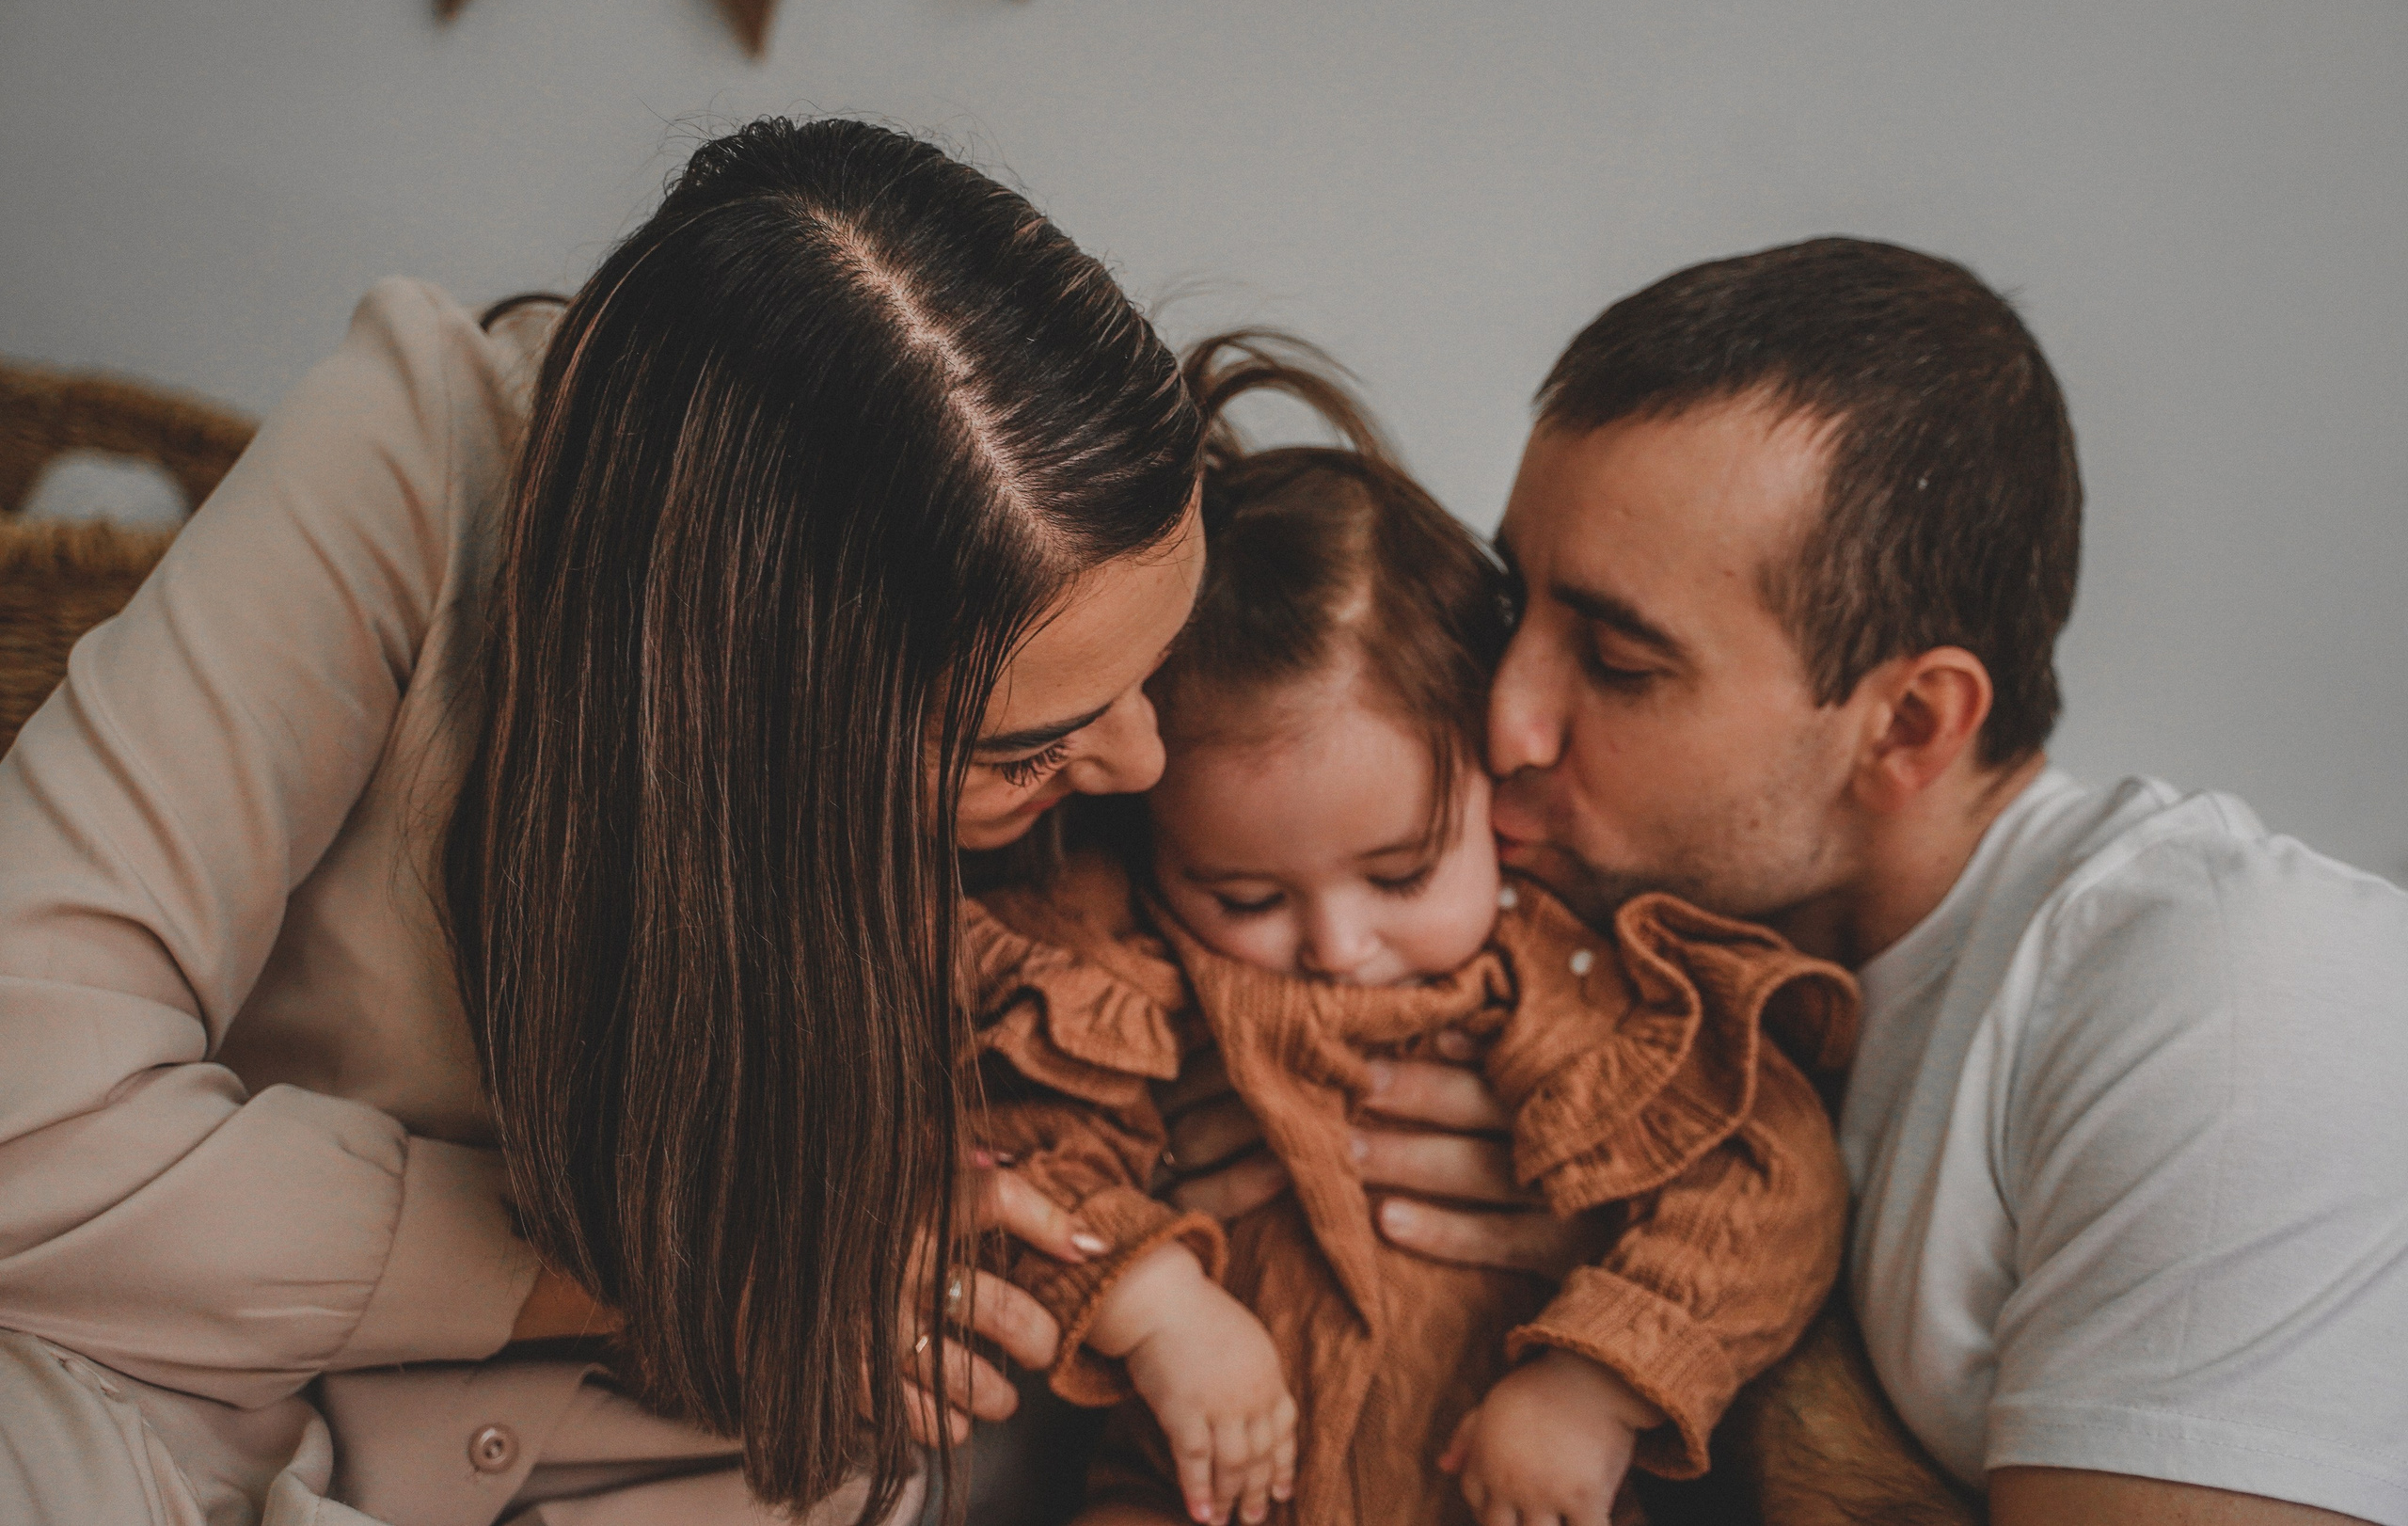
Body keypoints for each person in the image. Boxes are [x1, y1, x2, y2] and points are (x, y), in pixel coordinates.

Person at [0, 118, 1211, 1526]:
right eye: (1034, 746)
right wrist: (658, 1271)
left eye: (1157, 671)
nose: (1145, 760)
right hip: (163, 1385)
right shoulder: (421, 446)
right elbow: (25, 1119)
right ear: (750, 734)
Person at [1166, 240, 2408, 1525]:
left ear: (1909, 725)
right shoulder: (1569, 948)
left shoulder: (2232, 988)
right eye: (1511, 600)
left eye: (1615, 657)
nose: (1504, 717)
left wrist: (1657, 1306)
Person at [962, 337, 1856, 1526]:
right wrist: (1158, 1299)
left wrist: (1594, 1383)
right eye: (1245, 896)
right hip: (1201, 1489)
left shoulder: (1554, 977)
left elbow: (1768, 1183)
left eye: (1401, 873)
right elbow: (1020, 1151)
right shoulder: (1117, 962)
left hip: (1486, 1489)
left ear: (1489, 786)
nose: (1336, 944)